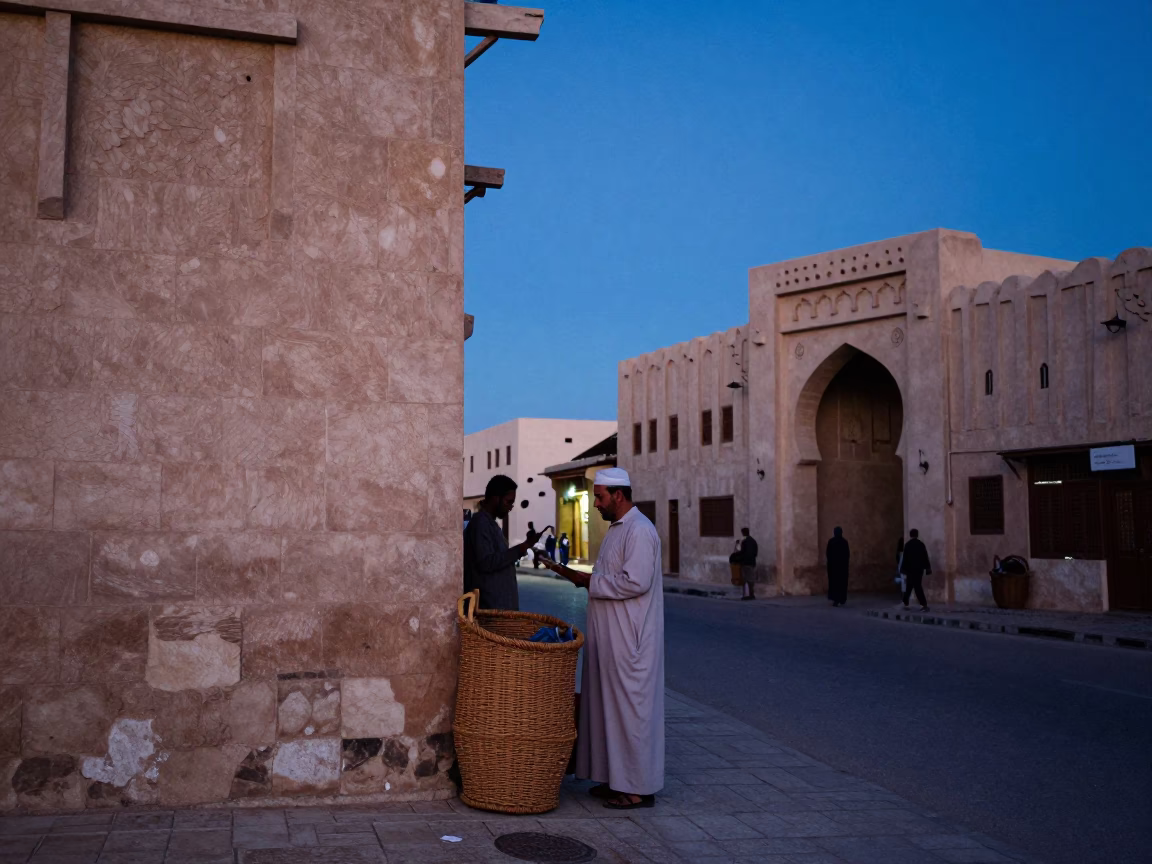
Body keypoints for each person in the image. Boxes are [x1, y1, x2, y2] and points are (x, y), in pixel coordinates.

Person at [537, 466, 664, 810]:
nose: (595, 504)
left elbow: (635, 582)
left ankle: (637, 789)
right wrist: (575, 575)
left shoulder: (639, 530)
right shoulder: (618, 530)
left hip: (630, 643)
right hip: (611, 640)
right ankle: (614, 780)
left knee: (629, 714)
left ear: (618, 496)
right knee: (608, 710)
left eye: (600, 497)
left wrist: (587, 581)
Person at [463, 475, 541, 610]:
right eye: (508, 502)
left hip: (499, 608)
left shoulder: (490, 523)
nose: (510, 507)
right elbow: (486, 562)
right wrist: (519, 549)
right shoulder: (480, 523)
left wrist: (526, 545)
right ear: (495, 498)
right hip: (490, 609)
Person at [900, 528, 932, 611]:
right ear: (917, 535)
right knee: (917, 586)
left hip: (910, 570)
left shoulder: (907, 545)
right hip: (919, 570)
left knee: (909, 586)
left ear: (910, 535)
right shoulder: (921, 544)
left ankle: (906, 603)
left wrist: (903, 569)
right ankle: (923, 604)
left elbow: (905, 558)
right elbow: (925, 556)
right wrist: (927, 568)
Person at [826, 527, 850, 607]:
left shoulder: (832, 542)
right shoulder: (844, 542)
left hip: (834, 567)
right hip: (842, 567)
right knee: (841, 583)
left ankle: (836, 599)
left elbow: (828, 554)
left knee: (835, 583)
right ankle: (842, 599)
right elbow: (847, 555)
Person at [737, 527, 758, 600]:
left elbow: (742, 552)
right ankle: (752, 594)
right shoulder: (753, 541)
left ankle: (746, 595)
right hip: (752, 562)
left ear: (743, 533)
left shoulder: (744, 542)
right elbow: (755, 553)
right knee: (751, 579)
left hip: (745, 562)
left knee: (745, 579)